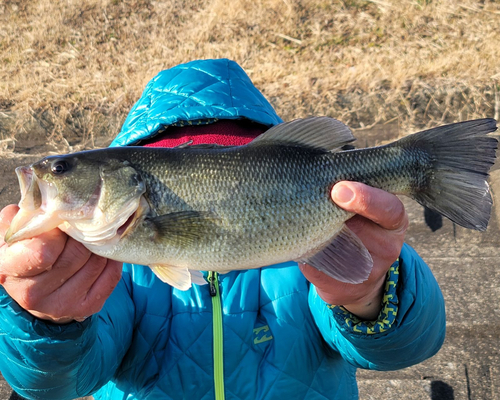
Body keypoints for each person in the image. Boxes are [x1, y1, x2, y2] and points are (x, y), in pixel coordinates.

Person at [0, 59, 445, 399]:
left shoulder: (130, 242)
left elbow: (406, 348)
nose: (44, 173)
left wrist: (370, 294)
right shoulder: (109, 265)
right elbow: (52, 384)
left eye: (60, 168)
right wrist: (45, 321)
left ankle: (422, 164)